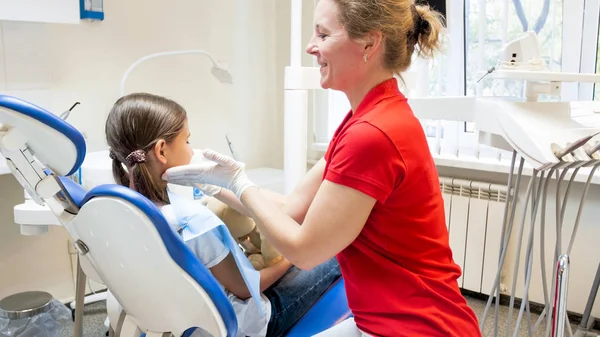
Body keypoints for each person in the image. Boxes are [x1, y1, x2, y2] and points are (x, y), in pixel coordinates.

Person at [163, 0, 483, 336]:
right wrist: (220, 186)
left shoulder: (372, 134)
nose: (310, 46)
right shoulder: (366, 118)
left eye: (323, 34)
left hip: (417, 327)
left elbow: (304, 251)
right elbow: (291, 209)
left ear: (370, 44)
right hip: (382, 319)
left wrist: (240, 183)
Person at [104, 92, 342, 337]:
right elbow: (246, 289)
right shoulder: (193, 221)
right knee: (337, 250)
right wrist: (292, 258)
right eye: (187, 140)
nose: (191, 148)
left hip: (176, 320)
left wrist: (219, 188)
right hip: (246, 325)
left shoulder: (118, 207)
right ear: (162, 151)